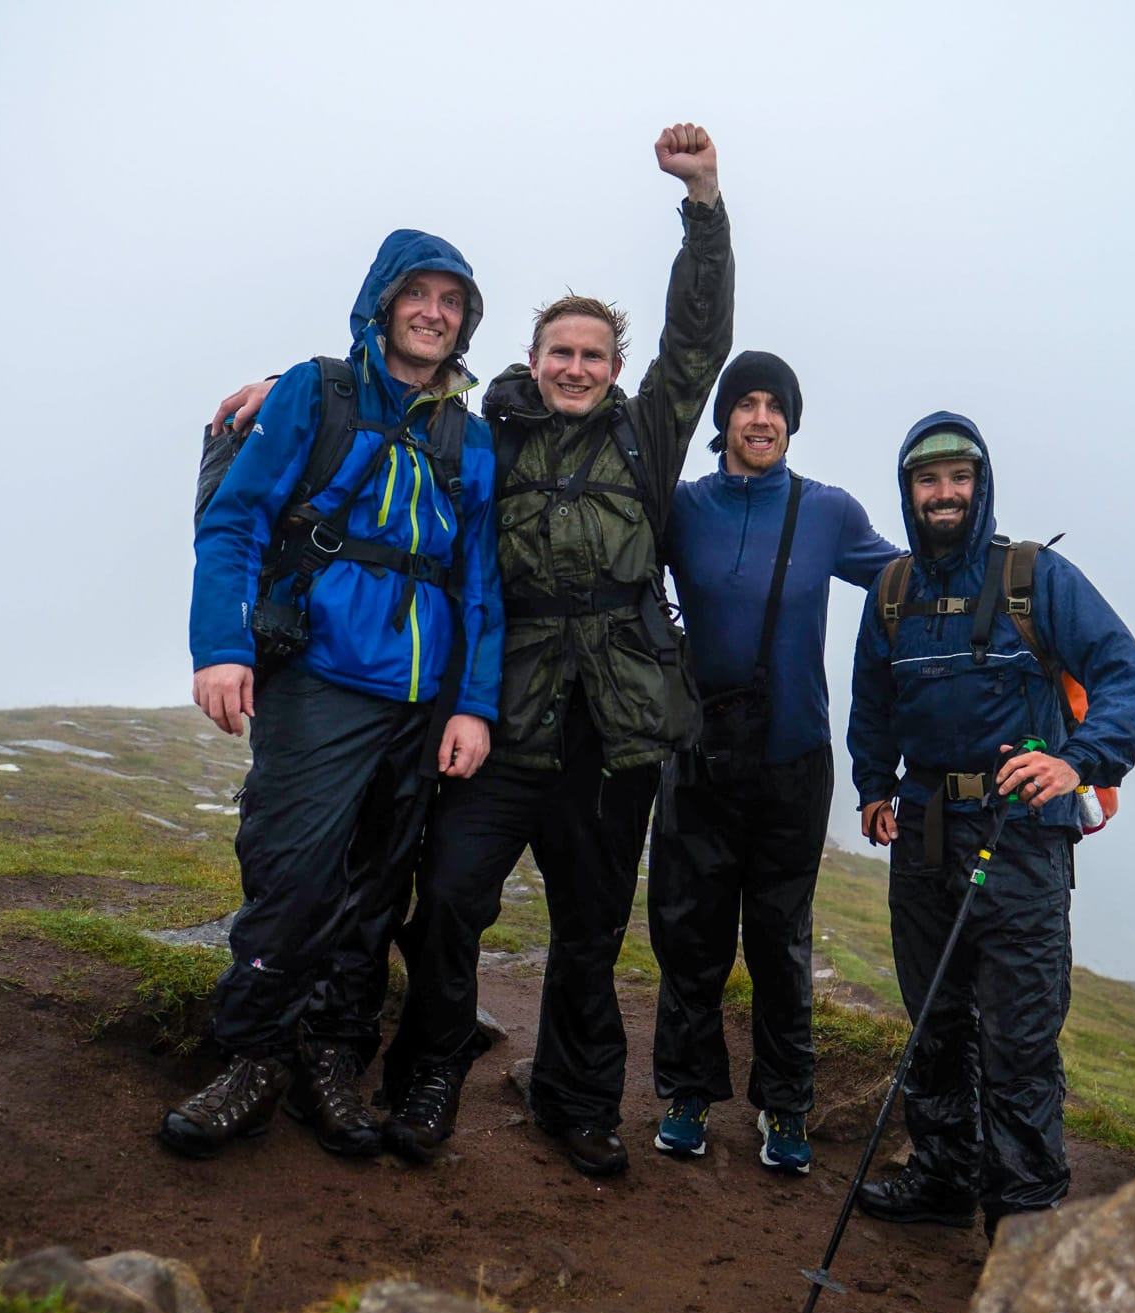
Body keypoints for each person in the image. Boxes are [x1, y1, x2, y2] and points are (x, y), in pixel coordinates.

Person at [206, 124, 733, 1176]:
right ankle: (425, 1070)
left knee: (588, 925)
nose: (574, 368)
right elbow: (399, 392)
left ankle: (577, 1101)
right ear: (530, 365)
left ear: (615, 369)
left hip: (615, 727)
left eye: (592, 355)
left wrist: (703, 207)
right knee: (444, 899)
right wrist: (282, 380)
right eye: (558, 354)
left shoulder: (650, 429)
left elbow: (698, 341)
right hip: (502, 717)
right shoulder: (494, 428)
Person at [159, 230, 502, 1161]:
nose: (434, 311)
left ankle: (331, 1060)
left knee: (374, 892)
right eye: (417, 294)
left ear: (467, 318)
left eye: (453, 299)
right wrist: (220, 645)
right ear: (383, 301)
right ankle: (252, 1057)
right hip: (318, 675)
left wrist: (471, 704)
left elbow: (480, 585)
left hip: (421, 704)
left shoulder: (469, 436)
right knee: (294, 871)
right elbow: (234, 520)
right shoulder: (317, 391)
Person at [846, 412, 1135, 1236]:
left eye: (959, 477)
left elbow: (1126, 676)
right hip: (923, 834)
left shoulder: (1035, 577)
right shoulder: (894, 590)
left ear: (980, 485)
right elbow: (872, 702)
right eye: (926, 479)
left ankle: (1022, 1215)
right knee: (936, 1018)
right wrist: (875, 784)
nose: (943, 493)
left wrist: (1077, 760)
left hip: (1021, 836)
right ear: (908, 490)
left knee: (1018, 1035)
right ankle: (944, 1175)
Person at [645, 351, 900, 1174]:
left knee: (781, 941)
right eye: (746, 403)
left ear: (792, 421)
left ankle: (786, 1105)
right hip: (697, 755)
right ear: (723, 418)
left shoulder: (827, 512)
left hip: (794, 757)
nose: (761, 418)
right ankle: (686, 1093)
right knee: (691, 933)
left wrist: (1014, 576)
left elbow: (909, 577)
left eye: (775, 406)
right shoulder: (681, 508)